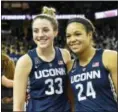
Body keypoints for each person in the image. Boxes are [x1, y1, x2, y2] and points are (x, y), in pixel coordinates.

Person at [13, 6, 72, 112]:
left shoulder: (65, 55)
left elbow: (70, 91)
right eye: (36, 31)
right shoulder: (25, 61)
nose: (40, 35)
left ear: (55, 32)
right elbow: (18, 106)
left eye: (45, 30)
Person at [66, 17, 118, 112]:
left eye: (77, 34)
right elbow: (73, 103)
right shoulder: (69, 66)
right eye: (68, 36)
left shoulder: (109, 57)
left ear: (89, 35)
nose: (72, 39)